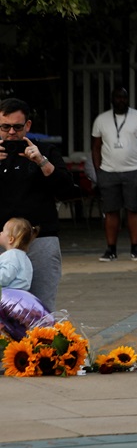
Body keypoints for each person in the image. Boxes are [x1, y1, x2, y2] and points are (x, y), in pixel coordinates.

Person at [0, 98, 71, 310]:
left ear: (28, 126)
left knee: (41, 308)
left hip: (40, 237)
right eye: (5, 127)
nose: (11, 133)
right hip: (3, 238)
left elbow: (67, 190)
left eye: (18, 127)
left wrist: (42, 162)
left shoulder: (45, 151)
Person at [91, 87, 137, 262]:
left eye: (124, 97)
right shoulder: (101, 120)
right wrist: (99, 171)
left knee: (134, 210)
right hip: (108, 171)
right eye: (117, 97)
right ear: (112, 99)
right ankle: (111, 249)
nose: (121, 100)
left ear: (128, 99)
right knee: (111, 211)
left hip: (134, 170)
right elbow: (95, 146)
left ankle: (135, 248)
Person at [0, 217, 34, 290]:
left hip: (9, 296)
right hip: (21, 295)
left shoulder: (11, 255)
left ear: (11, 239)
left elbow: (5, 277)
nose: (0, 233)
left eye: (3, 231)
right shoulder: (24, 257)